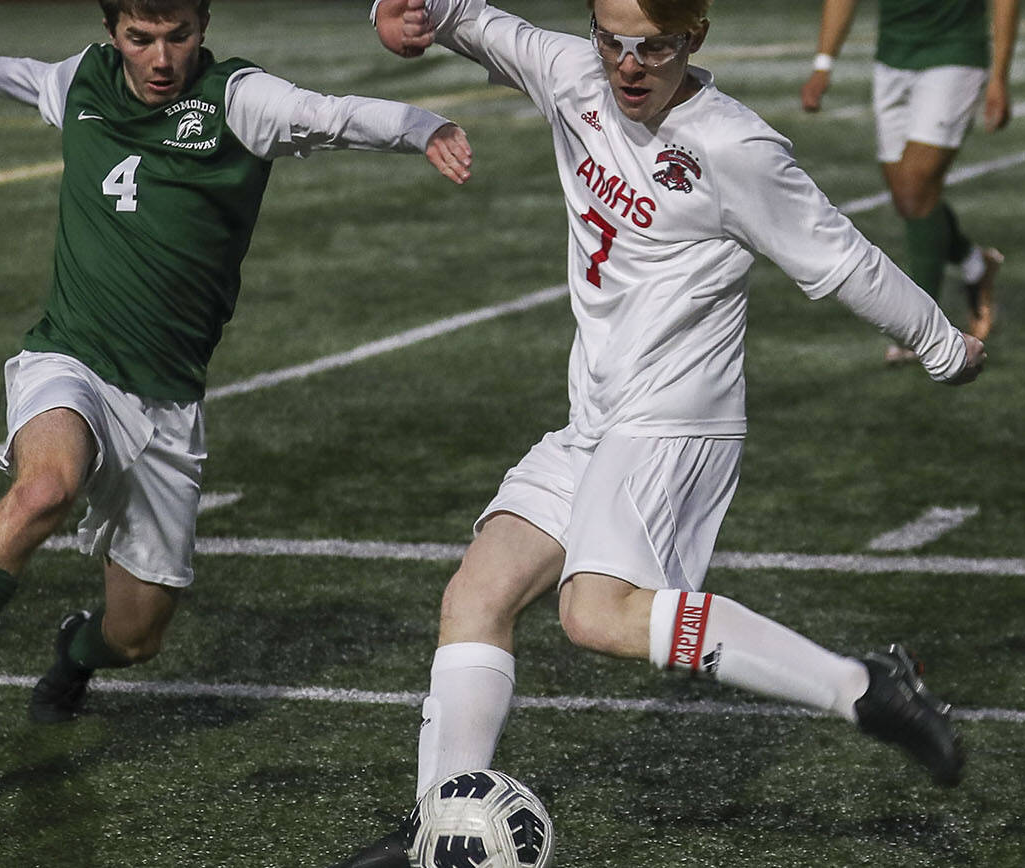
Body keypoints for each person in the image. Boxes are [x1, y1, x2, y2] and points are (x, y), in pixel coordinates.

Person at [333, 0, 985, 864]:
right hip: (595, 417)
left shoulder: (734, 147)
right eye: (614, 41)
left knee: (594, 614)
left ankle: (867, 688)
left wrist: (943, 344)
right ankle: (439, 826)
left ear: (695, 40)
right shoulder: (572, 76)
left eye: (656, 47)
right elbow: (468, 19)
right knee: (476, 597)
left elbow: (842, 258)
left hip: (679, 419)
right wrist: (400, 10)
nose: (630, 63)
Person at [0, 0, 473, 764]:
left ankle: (75, 653)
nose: (161, 59)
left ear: (203, 27)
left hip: (166, 406)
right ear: (112, 35)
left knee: (135, 637)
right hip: (71, 360)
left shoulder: (238, 100)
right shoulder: (82, 80)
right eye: (140, 39)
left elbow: (331, 113)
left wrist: (424, 127)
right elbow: (20, 75)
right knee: (43, 490)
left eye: (179, 37)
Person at [800, 0, 1019, 364]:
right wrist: (823, 64)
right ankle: (975, 264)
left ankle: (920, 334)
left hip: (955, 53)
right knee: (908, 199)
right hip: (892, 58)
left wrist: (1000, 76)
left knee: (916, 188)